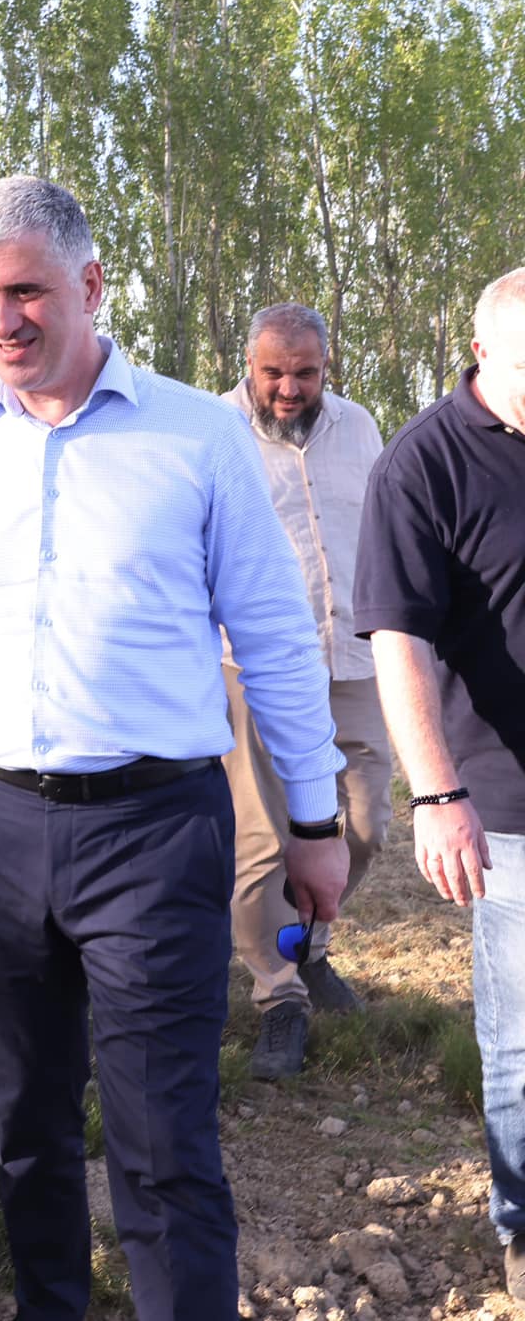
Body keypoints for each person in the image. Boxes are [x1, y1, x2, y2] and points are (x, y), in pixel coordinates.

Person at [0, 176, 348, 1321]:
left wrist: (313, 820)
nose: (1, 322)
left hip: (152, 833)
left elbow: (273, 636)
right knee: (23, 1129)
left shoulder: (194, 438)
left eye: (25, 292)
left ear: (88, 285)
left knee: (161, 1144)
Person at [356, 266, 525, 1304]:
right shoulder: (422, 464)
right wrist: (435, 794)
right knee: (523, 1035)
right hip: (504, 798)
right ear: (480, 354)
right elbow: (398, 640)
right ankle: (523, 1224)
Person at [220, 301, 391, 1081]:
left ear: (328, 367)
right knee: (265, 841)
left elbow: (384, 533)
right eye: (274, 373)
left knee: (368, 821)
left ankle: (308, 944)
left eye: (306, 373)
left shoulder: (359, 427)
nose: (289, 389)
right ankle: (279, 997)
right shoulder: (215, 432)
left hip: (353, 655)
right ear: (249, 366)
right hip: (254, 666)